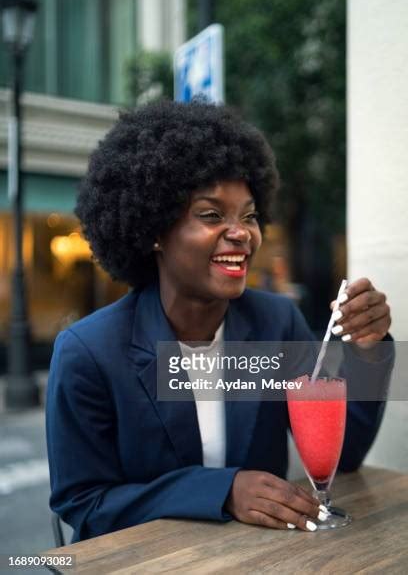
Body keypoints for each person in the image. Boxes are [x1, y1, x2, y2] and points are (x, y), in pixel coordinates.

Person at [46, 101, 393, 542]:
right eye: (211, 215)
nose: (241, 232)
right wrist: (222, 491)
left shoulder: (274, 322)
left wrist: (367, 349)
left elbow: (342, 457)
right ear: (154, 229)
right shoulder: (89, 352)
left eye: (249, 216)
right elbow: (86, 503)